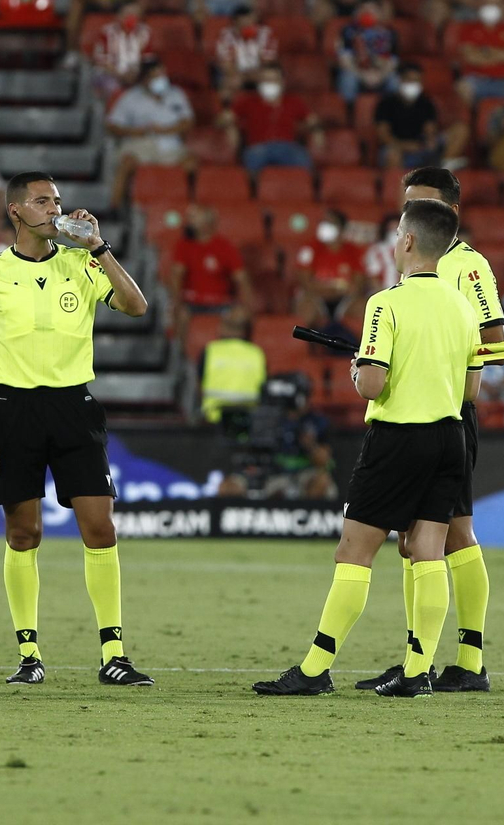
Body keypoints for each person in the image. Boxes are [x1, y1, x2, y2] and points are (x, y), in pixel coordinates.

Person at [253, 199, 483, 698]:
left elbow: (372, 384)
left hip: (399, 438)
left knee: (354, 552)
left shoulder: (386, 303)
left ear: (407, 241)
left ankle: (315, 670)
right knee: (427, 551)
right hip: (450, 438)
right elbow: (471, 392)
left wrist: (360, 368)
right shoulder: (464, 307)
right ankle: (418, 671)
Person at [0, 171, 152, 687]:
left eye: (58, 201)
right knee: (25, 533)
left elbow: (136, 306)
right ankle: (29, 655)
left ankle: (114, 652)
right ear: (16, 211)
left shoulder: (82, 264)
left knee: (100, 527)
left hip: (74, 409)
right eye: (42, 201)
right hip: (13, 411)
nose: (54, 209)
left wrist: (101, 246)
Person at [106, 58, 192, 208]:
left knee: (191, 164)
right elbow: (112, 125)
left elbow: (188, 122)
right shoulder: (130, 97)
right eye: (156, 76)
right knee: (126, 163)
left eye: (163, 75)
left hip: (170, 145)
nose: (162, 79)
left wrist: (165, 130)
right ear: (145, 79)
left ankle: (190, 207)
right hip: (141, 143)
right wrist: (136, 131)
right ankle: (115, 209)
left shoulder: (176, 94)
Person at [169, 206, 255, 339]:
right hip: (192, 303)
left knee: (240, 315)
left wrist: (248, 305)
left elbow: (241, 278)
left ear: (208, 222)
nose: (189, 221)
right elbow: (176, 275)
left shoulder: (224, 247)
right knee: (180, 314)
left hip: (221, 304)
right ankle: (179, 355)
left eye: (195, 217)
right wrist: (176, 302)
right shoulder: (184, 245)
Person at [222, 65, 322, 177]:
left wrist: (317, 132)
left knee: (303, 162)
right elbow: (224, 119)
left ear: (282, 82)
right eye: (266, 79)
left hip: (287, 147)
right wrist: (230, 127)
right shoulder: (247, 101)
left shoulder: (294, 101)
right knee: (252, 163)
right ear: (259, 82)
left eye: (273, 79)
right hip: (258, 147)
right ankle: (253, 192)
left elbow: (313, 121)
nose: (269, 83)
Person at [374, 64, 467, 168]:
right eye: (410, 80)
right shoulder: (386, 103)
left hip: (421, 149)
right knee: (392, 154)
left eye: (417, 81)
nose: (413, 84)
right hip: (398, 149)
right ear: (400, 80)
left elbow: (429, 129)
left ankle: (444, 168)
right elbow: (384, 136)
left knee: (460, 129)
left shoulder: (426, 103)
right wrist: (406, 146)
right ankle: (396, 183)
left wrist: (430, 140)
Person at [295, 209, 366, 327]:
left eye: (330, 223)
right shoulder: (309, 249)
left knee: (366, 310)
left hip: (345, 301)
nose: (324, 226)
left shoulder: (354, 251)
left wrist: (332, 288)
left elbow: (356, 286)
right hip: (316, 298)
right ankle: (305, 345)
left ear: (342, 229)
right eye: (322, 222)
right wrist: (335, 288)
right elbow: (305, 282)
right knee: (306, 310)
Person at [453, 0, 504, 110]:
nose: (491, 7)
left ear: (501, 6)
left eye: (495, 3)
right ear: (479, 5)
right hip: (477, 78)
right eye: (487, 3)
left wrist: (487, 52)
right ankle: (474, 121)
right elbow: (471, 58)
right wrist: (502, 54)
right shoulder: (467, 29)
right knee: (462, 87)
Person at [198, 306, 265, 423]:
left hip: (213, 421)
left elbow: (199, 387)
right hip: (248, 422)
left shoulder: (210, 351)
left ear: (223, 327)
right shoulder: (257, 354)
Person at [334, 0, 398, 106]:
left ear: (380, 13)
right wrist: (362, 75)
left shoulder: (390, 33)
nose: (367, 13)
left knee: (394, 81)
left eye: (372, 10)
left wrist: (380, 75)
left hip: (380, 73)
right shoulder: (348, 31)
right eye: (364, 9)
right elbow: (345, 60)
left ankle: (389, 113)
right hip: (356, 72)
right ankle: (349, 113)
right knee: (348, 80)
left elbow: (393, 61)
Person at [90, 0, 154, 100]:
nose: (131, 18)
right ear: (119, 16)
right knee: (114, 89)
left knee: (153, 87)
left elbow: (148, 60)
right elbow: (100, 60)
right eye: (128, 14)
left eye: (136, 15)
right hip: (111, 74)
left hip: (137, 75)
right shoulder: (107, 32)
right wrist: (120, 75)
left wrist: (135, 75)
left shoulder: (145, 32)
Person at [213, 5, 277, 99]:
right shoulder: (225, 35)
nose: (248, 26)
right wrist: (243, 76)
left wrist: (253, 74)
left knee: (270, 78)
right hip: (236, 73)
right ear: (235, 23)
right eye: (243, 24)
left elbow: (268, 62)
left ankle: (268, 110)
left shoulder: (265, 34)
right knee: (230, 82)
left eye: (251, 23)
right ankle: (229, 110)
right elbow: (226, 64)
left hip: (259, 72)